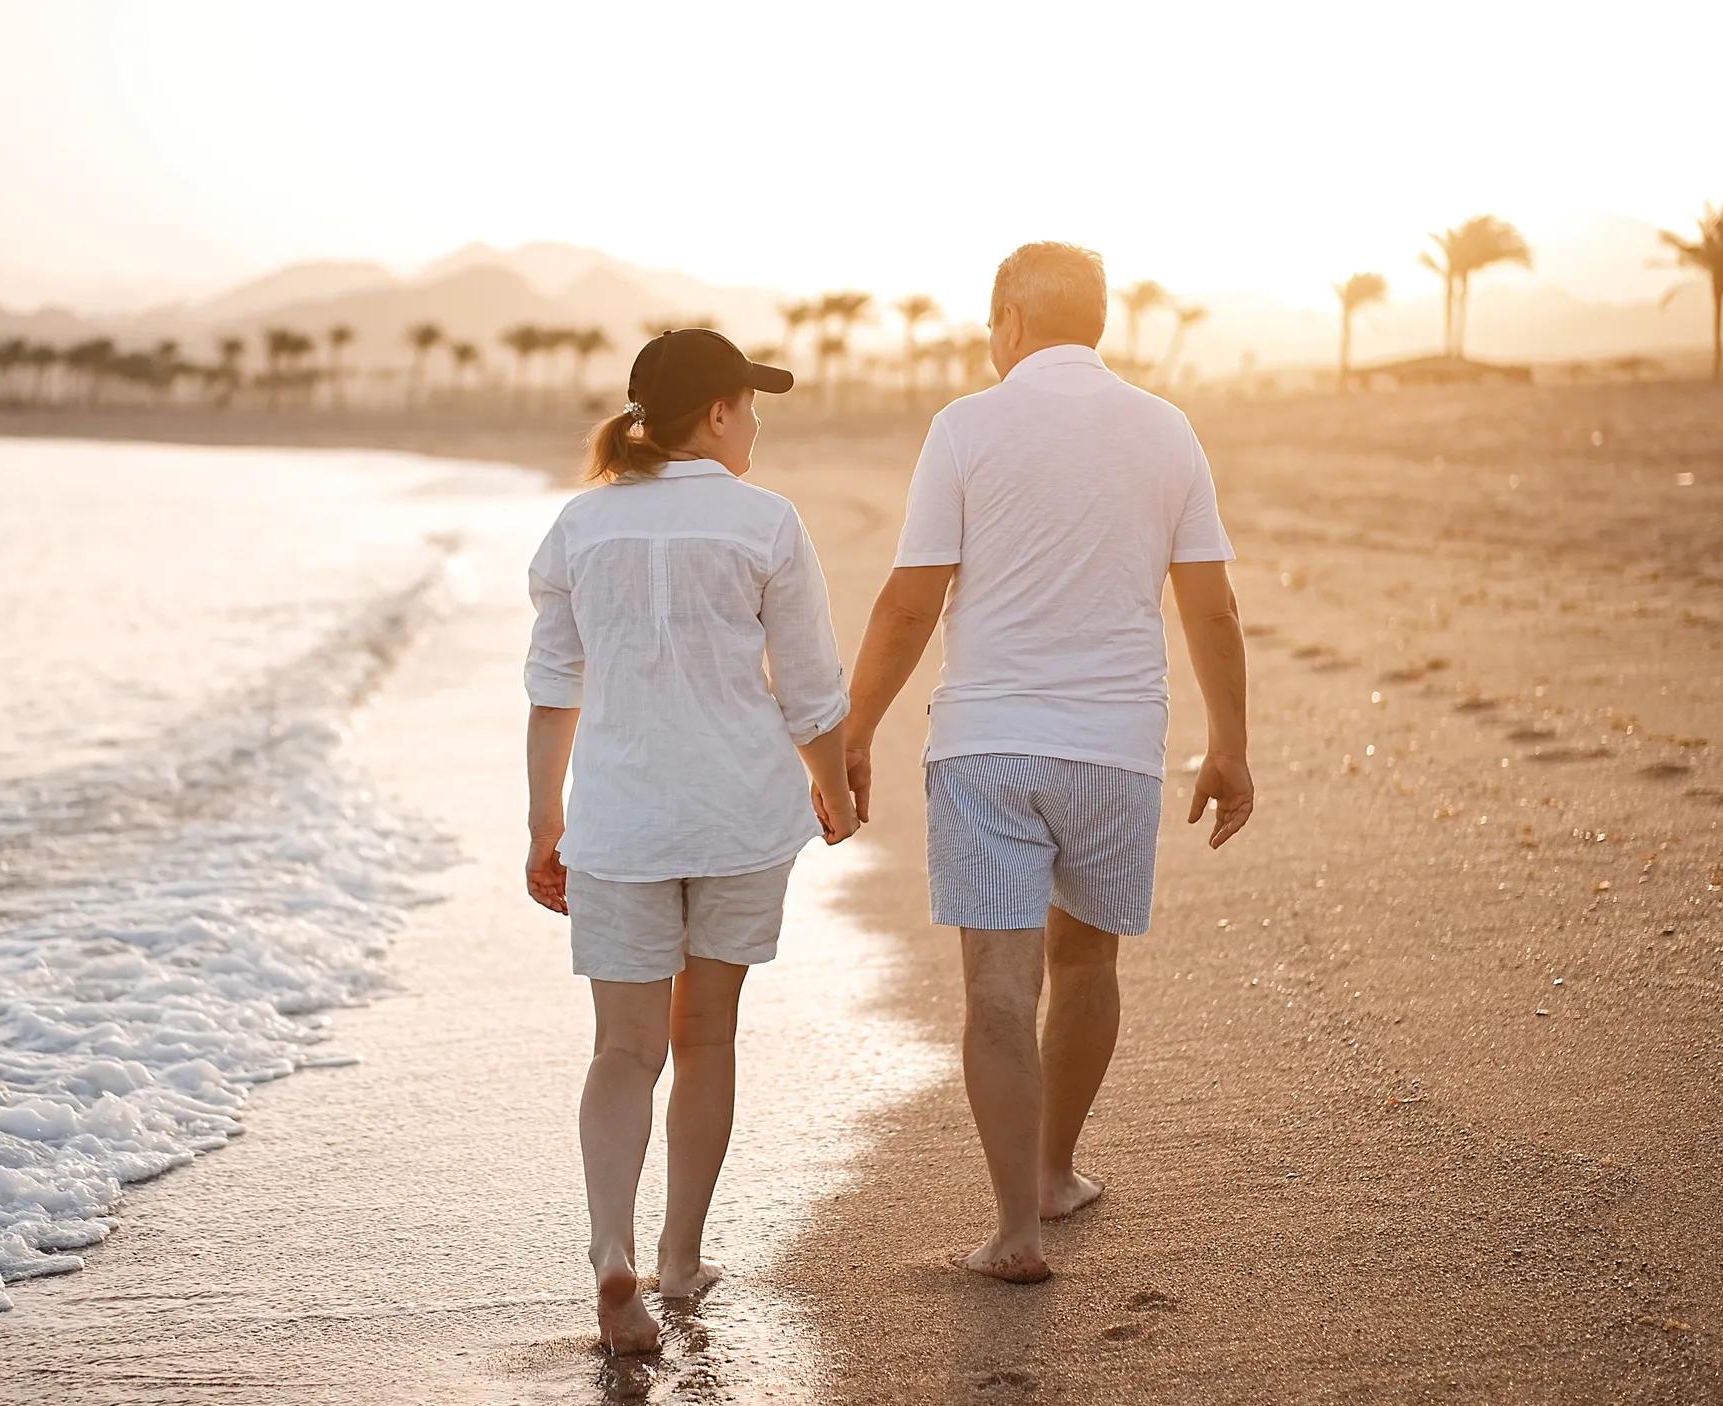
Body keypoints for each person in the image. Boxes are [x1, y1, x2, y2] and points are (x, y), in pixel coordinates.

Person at [840, 242, 1253, 1283]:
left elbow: (910, 602)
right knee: (1086, 962)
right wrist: (1229, 746)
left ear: (1010, 322)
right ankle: (1055, 1171)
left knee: (996, 984)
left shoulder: (965, 427)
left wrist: (853, 730)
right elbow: (1210, 605)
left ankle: (1014, 1231)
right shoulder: (1166, 428)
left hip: (987, 745)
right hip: (1116, 748)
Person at [523, 329, 859, 1354]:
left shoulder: (580, 524)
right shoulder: (765, 520)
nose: (754, 424)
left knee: (622, 1049)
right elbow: (809, 688)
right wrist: (834, 789)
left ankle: (609, 1249)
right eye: (748, 406)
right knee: (705, 1035)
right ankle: (678, 1259)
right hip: (737, 816)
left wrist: (545, 823)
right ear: (717, 412)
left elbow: (553, 689)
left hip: (619, 821)